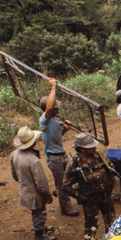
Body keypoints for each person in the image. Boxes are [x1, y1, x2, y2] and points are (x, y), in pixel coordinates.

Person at [62, 133, 117, 240]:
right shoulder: (73, 164)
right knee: (90, 228)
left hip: (106, 196)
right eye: (91, 147)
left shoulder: (99, 155)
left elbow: (110, 166)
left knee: (111, 223)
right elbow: (66, 186)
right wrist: (81, 197)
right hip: (90, 201)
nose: (94, 148)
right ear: (82, 149)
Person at [39, 77, 79, 217]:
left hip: (61, 154)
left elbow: (56, 137)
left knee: (70, 177)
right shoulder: (45, 119)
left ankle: (59, 191)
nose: (57, 107)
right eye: (55, 106)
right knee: (62, 184)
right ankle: (66, 208)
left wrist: (65, 130)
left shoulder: (55, 119)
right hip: (54, 157)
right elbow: (49, 107)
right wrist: (53, 87)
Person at [10, 126, 57, 240]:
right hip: (35, 192)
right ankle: (39, 234)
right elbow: (41, 183)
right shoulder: (33, 160)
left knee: (36, 212)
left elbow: (14, 174)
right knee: (39, 212)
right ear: (33, 142)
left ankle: (40, 228)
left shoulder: (15, 154)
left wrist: (23, 182)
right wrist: (48, 195)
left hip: (25, 189)